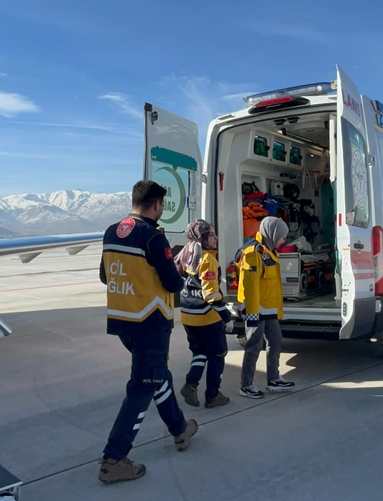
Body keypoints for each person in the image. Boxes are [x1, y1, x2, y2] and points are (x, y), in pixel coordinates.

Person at [97, 180, 198, 483]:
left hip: (123, 319)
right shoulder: (154, 238)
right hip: (151, 321)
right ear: (157, 205)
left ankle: (180, 430)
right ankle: (113, 459)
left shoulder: (110, 232)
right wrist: (180, 272)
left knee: (157, 376)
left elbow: (105, 276)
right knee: (142, 386)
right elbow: (172, 284)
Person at [236, 216, 296, 399]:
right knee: (254, 346)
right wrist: (252, 313)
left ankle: (274, 379)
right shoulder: (253, 253)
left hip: (268, 308)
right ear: (273, 233)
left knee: (276, 341)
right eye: (282, 237)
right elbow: (250, 286)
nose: (283, 240)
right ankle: (246, 385)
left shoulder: (268, 251)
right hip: (256, 309)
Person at [175, 220, 232, 410]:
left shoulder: (186, 253)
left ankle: (191, 384)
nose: (215, 238)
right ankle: (213, 396)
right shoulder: (207, 259)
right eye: (212, 234)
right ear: (202, 237)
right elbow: (211, 295)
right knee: (217, 354)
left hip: (188, 316)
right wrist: (226, 316)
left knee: (199, 353)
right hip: (206, 317)